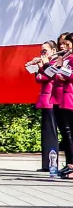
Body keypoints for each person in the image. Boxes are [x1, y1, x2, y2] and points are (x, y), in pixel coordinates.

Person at [29, 40, 60, 172]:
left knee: (51, 133)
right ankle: (46, 164)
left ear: (53, 51)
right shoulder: (46, 63)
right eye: (41, 51)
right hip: (45, 99)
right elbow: (39, 78)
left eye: (45, 51)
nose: (42, 53)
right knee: (46, 133)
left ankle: (52, 164)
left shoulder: (55, 62)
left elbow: (47, 76)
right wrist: (35, 68)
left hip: (51, 100)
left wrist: (41, 66)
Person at [54, 33, 73, 178]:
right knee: (67, 133)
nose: (64, 47)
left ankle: (71, 165)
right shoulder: (67, 58)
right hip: (65, 97)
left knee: (70, 133)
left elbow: (69, 75)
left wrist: (61, 69)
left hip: (70, 96)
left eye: (67, 45)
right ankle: (70, 163)